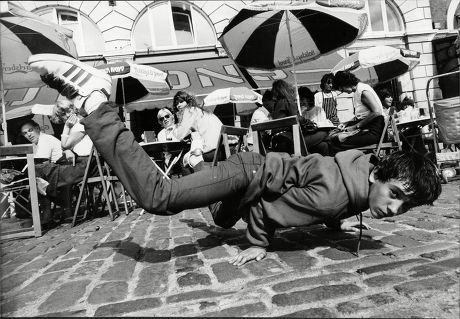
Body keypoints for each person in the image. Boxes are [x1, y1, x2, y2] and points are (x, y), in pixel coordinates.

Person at [28, 53, 442, 267]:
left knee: (222, 220)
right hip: (250, 174)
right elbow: (270, 210)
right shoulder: (337, 195)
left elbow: (322, 188)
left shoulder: (356, 173)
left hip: (252, 169)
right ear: (380, 175)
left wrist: (341, 219)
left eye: (404, 206)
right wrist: (260, 242)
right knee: (160, 197)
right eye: (397, 195)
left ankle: (202, 176)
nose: (394, 209)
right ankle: (95, 100)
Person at [328, 71, 385, 155]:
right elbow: (365, 115)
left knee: (335, 143)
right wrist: (347, 123)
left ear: (346, 83)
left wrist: (355, 126)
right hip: (368, 129)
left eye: (341, 88)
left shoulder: (362, 91)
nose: (343, 91)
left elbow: (377, 112)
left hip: (373, 131)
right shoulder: (358, 90)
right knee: (334, 137)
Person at [171, 90, 223, 171]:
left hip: (214, 152)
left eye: (181, 102)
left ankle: (198, 182)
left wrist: (178, 121)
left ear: (188, 101)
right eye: (176, 103)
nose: (178, 105)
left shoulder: (189, 111)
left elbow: (179, 135)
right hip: (224, 147)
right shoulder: (202, 110)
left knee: (183, 160)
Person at [156, 107, 190, 177]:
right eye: (162, 118)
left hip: (183, 155)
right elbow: (164, 150)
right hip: (170, 159)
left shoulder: (180, 127)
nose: (165, 119)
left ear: (172, 117)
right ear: (160, 122)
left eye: (167, 116)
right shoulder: (160, 134)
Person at [298, 86, 332, 155]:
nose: (301, 102)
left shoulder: (318, 110)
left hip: (317, 134)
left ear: (308, 99)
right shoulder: (300, 113)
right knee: (324, 143)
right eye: (299, 100)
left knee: (323, 145)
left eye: (303, 99)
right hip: (308, 137)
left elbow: (323, 124)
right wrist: (301, 113)